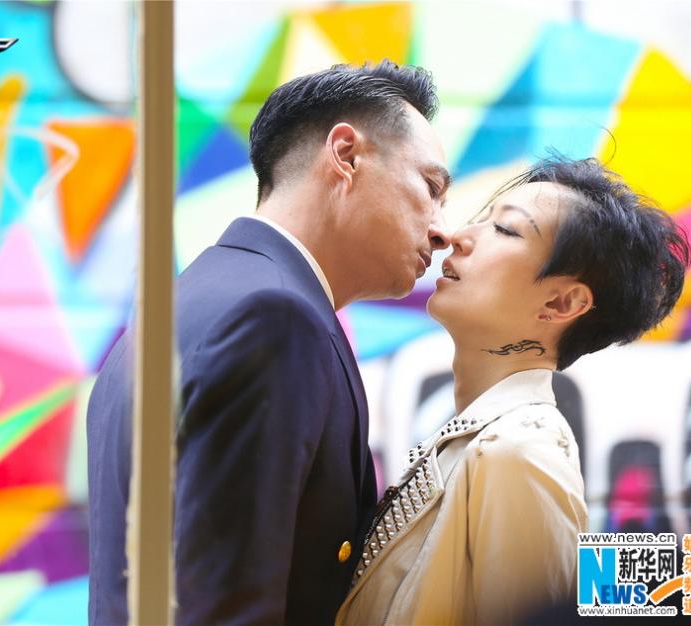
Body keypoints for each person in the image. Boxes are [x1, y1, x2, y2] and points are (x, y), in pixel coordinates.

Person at [87, 60, 452, 625]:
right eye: (430, 188)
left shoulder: (187, 303)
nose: (442, 229)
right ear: (346, 155)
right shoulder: (275, 319)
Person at [336, 156, 691, 625]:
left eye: (505, 229)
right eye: (481, 219)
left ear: (561, 302)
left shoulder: (518, 450)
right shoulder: (484, 439)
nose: (458, 236)